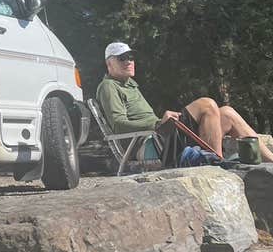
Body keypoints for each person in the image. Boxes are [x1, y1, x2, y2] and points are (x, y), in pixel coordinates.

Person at [96, 41, 273, 163]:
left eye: (130, 57)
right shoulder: (109, 86)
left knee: (227, 113)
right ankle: (216, 163)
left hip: (162, 137)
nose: (128, 61)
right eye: (122, 58)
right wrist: (158, 123)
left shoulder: (130, 85)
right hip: (150, 143)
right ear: (109, 64)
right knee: (206, 104)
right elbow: (118, 125)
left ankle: (271, 161)